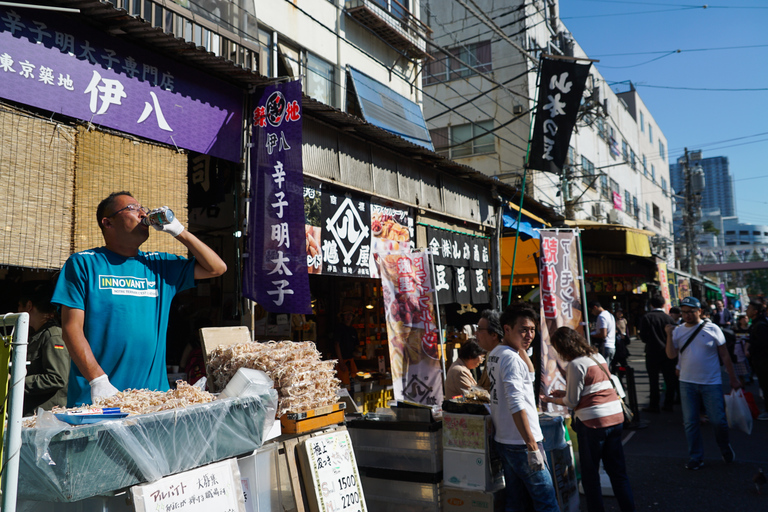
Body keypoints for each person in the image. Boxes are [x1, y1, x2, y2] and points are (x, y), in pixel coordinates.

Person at [52, 191, 227, 406]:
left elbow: (217, 268)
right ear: (108, 223)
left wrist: (179, 231)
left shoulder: (159, 265)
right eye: (133, 208)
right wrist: (97, 380)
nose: (143, 214)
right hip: (98, 399)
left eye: (143, 208)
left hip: (152, 400)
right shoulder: (83, 264)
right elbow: (71, 329)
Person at [541, 327, 635, 512]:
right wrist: (564, 393)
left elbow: (572, 401)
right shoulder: (597, 357)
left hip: (593, 423)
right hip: (615, 418)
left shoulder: (575, 364)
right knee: (618, 472)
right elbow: (592, 389)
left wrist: (552, 399)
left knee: (590, 475)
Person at [488, 304, 559, 512]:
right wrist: (532, 447)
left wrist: (521, 349)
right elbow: (516, 403)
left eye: (532, 330)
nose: (529, 335)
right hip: (521, 443)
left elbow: (529, 376)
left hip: (505, 439)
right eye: (523, 329)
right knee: (546, 501)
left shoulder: (498, 353)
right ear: (506, 329)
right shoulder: (510, 358)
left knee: (516, 500)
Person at [665, 296, 740, 470]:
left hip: (711, 382)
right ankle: (696, 457)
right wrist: (669, 334)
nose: (687, 315)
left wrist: (733, 378)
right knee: (690, 422)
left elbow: (725, 355)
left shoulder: (713, 329)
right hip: (686, 382)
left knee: (718, 420)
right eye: (684, 312)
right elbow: (670, 355)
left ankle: (724, 446)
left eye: (691, 311)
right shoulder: (677, 331)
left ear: (700, 311)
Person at [17, 282, 70, 416]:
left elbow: (57, 378)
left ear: (29, 306)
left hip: (47, 418)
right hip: (35, 415)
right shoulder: (38, 335)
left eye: (19, 306)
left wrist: (17, 381)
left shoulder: (53, 336)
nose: (17, 311)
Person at [639, 296, 677, 413]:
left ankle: (654, 405)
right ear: (663, 304)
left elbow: (643, 336)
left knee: (653, 380)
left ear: (651, 305)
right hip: (668, 352)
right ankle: (668, 404)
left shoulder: (647, 317)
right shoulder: (668, 318)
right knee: (669, 379)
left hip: (652, 351)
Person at [745, 297, 768, 420]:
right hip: (759, 361)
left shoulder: (761, 325)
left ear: (755, 311)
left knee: (766, 385)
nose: (746, 311)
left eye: (749, 308)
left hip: (763, 361)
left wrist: (751, 348)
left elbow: (763, 344)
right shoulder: (756, 324)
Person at [476, 309, 504, 391]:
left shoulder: (505, 356)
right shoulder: (491, 353)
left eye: (479, 329)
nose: (476, 333)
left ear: (494, 335)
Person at [334, 308, 360, 386]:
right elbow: (336, 344)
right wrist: (341, 362)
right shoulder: (339, 328)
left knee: (352, 384)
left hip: (350, 362)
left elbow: (356, 346)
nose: (348, 317)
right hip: (341, 362)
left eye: (350, 315)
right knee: (343, 385)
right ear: (342, 316)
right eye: (346, 315)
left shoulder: (353, 330)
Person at [590, 301, 617, 367]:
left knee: (604, 369)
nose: (592, 313)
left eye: (591, 311)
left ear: (595, 307)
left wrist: (590, 335)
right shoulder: (609, 315)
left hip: (605, 346)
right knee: (607, 367)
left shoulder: (602, 316)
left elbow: (603, 334)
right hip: (612, 345)